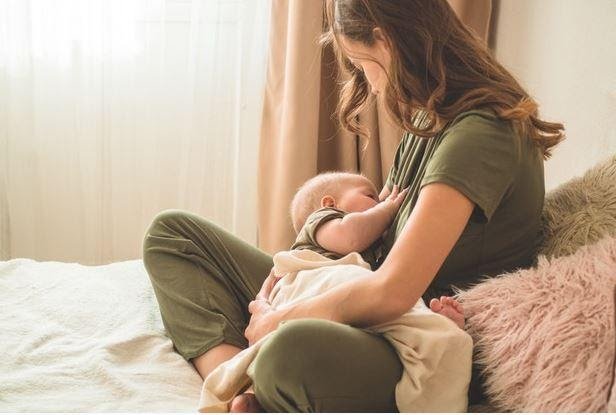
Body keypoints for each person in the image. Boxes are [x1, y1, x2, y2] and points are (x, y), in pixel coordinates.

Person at [142, 0, 564, 411]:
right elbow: (374, 249)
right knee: (173, 235)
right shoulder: (429, 122)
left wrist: (280, 318)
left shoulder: (481, 135)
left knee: (288, 354)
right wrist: (301, 278)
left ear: (386, 43)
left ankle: (252, 372)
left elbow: (394, 291)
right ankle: (234, 375)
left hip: (414, 340)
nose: (374, 87)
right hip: (367, 303)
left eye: (363, 66)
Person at [221, 171, 465, 412]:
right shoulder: (322, 220)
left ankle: (255, 400)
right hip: (313, 286)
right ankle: (432, 330)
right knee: (412, 321)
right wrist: (388, 211)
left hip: (320, 307)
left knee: (383, 318)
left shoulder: (371, 253)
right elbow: (351, 236)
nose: (379, 202)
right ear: (329, 203)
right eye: (371, 196)